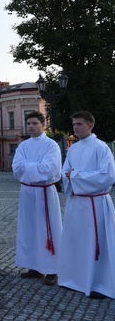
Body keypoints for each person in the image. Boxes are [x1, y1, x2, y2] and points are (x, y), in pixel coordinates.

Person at [58, 111, 115, 299]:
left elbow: (107, 176)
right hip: (77, 202)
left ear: (90, 125)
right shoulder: (73, 149)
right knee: (76, 241)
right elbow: (65, 171)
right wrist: (72, 176)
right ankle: (75, 279)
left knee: (97, 243)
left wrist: (76, 175)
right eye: (74, 124)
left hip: (95, 204)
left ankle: (100, 283)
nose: (75, 127)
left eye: (79, 124)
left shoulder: (101, 148)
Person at [11, 111, 62, 286]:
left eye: (35, 123)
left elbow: (49, 168)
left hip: (44, 192)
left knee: (48, 229)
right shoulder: (23, 146)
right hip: (28, 192)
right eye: (29, 124)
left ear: (43, 124)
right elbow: (17, 168)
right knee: (30, 228)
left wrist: (29, 168)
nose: (31, 127)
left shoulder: (51, 146)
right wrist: (34, 168)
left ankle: (52, 270)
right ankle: (33, 265)